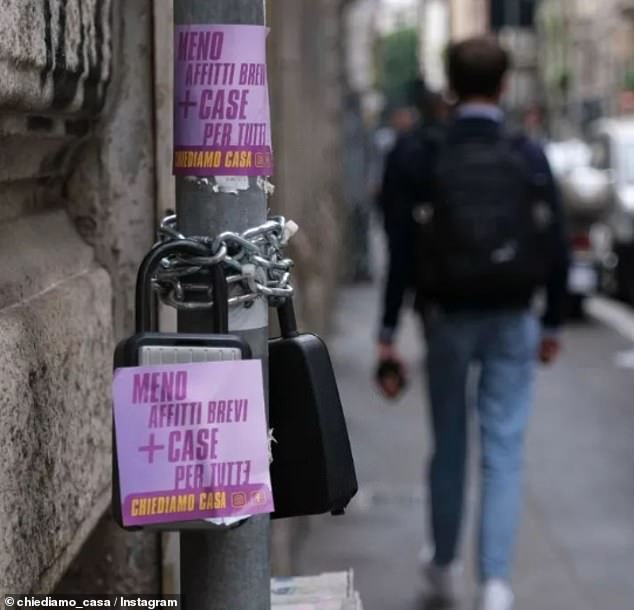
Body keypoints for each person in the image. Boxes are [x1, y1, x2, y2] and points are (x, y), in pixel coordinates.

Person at [375, 37, 569, 610]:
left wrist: (387, 331)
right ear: (505, 86)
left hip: (445, 315)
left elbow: (401, 249)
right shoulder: (526, 153)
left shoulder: (418, 153)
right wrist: (553, 322)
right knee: (504, 447)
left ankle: (441, 564)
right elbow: (554, 243)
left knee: (450, 442)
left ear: (450, 86)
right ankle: (495, 584)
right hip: (513, 315)